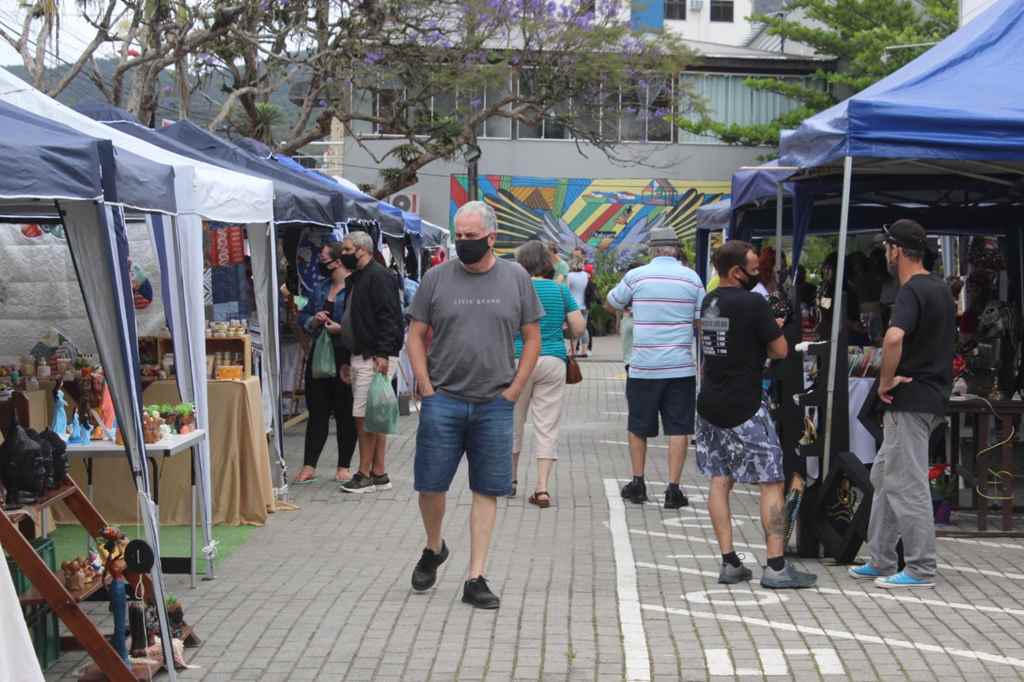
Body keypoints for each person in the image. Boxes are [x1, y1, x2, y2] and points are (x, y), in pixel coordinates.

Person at [406, 200, 542, 609]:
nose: (463, 243)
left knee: (487, 489)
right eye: (459, 236)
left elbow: (532, 337)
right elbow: (415, 335)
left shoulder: (516, 278)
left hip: (494, 403)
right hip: (443, 400)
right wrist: (425, 386)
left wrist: (514, 389)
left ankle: (475, 576)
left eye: (471, 236)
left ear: (491, 238)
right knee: (430, 485)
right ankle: (434, 547)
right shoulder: (436, 278)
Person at [696, 240, 817, 590]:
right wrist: (772, 327)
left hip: (710, 403)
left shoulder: (710, 300)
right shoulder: (753, 303)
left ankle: (729, 561)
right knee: (772, 481)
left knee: (720, 478)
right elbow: (780, 350)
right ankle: (776, 565)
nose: (757, 274)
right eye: (753, 269)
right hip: (746, 404)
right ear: (737, 272)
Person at [849, 220, 955, 589]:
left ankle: (920, 567)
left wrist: (884, 380)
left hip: (910, 399)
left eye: (886, 247)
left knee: (906, 483)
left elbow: (894, 338)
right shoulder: (941, 288)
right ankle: (880, 558)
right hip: (931, 396)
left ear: (896, 250)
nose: (885, 254)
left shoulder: (911, 290)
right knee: (884, 476)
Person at [606, 227, 704, 509]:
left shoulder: (637, 276)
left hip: (644, 366)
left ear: (652, 250)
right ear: (677, 249)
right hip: (680, 367)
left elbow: (612, 301)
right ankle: (673, 489)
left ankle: (638, 483)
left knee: (638, 425)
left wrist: (633, 308)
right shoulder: (692, 278)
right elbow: (699, 320)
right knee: (678, 428)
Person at [511, 241, 586, 507]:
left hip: (518, 359)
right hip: (553, 359)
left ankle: (510, 480)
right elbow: (578, 327)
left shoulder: (514, 289)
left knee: (513, 421)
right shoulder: (559, 290)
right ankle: (542, 488)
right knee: (547, 425)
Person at [338, 230, 405, 494]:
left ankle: (364, 474)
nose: (343, 254)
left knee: (364, 415)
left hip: (373, 356)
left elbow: (389, 317)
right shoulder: (358, 278)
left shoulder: (379, 276)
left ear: (362, 250)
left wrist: (383, 353)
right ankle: (378, 473)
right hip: (363, 353)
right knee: (374, 414)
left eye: (347, 249)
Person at [295, 243, 356, 484]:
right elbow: (302, 315)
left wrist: (342, 328)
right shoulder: (319, 288)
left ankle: (344, 466)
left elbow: (363, 320)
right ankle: (309, 465)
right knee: (317, 411)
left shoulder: (354, 288)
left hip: (345, 356)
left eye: (323, 259)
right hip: (319, 355)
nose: (320, 263)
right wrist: (313, 319)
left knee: (345, 412)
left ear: (338, 261)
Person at [566, 257, 590, 357]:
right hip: (584, 305)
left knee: (573, 328)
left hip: (573, 305)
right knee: (584, 328)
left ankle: (572, 350)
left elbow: (566, 290)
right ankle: (584, 350)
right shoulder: (586, 275)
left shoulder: (570, 276)